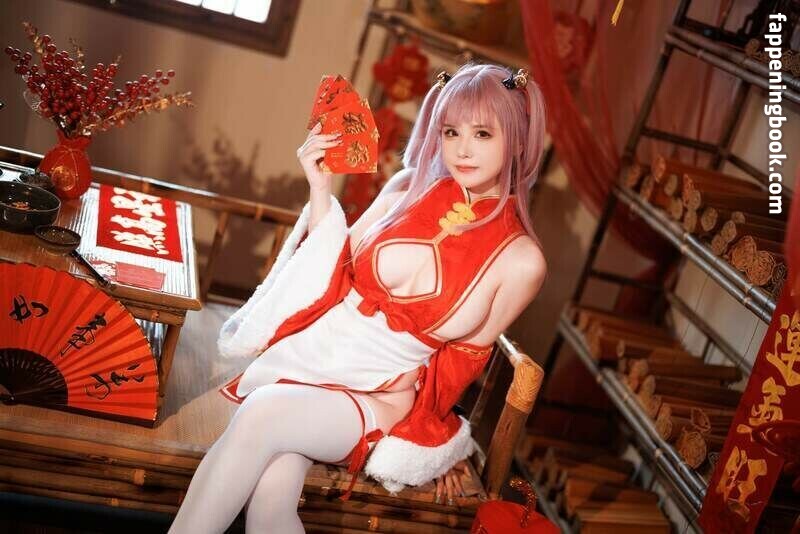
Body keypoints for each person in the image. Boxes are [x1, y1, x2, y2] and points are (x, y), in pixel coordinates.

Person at [168, 62, 548, 534]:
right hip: (314, 358)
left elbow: (461, 362)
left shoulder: (521, 261)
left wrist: (433, 442)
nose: (462, 149)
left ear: (519, 140)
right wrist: (320, 188)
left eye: (483, 134)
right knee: (271, 499)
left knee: (261, 413)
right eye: (451, 131)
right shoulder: (407, 187)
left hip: (379, 395)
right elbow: (332, 266)